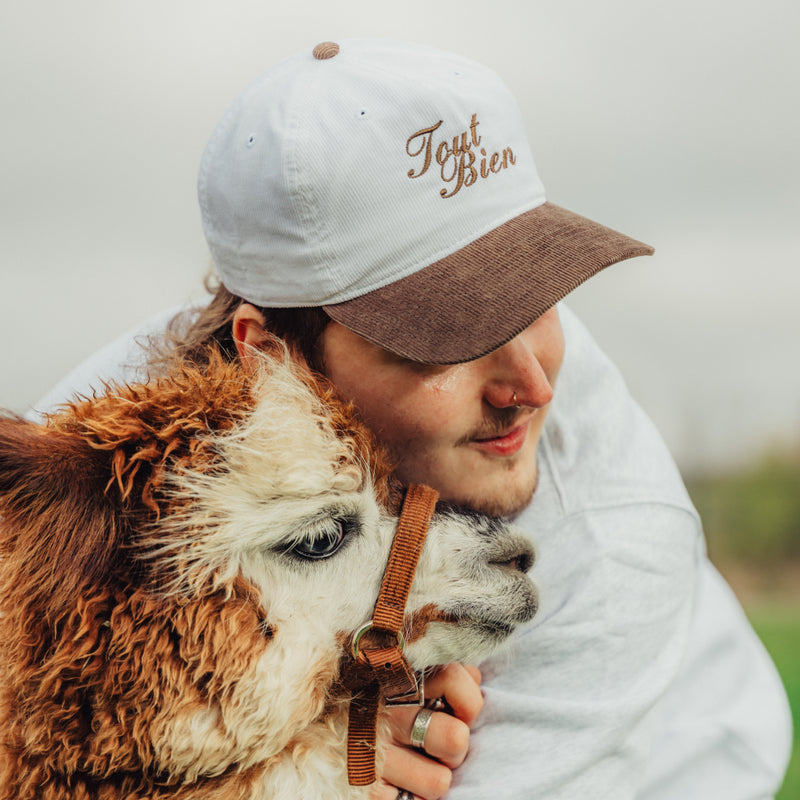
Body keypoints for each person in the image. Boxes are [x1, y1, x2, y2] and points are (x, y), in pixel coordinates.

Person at [33, 39, 792, 799]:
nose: (530, 385)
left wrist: (308, 765)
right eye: (445, 340)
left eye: (535, 297)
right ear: (267, 353)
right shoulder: (122, 453)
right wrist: (307, 743)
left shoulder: (604, 548)